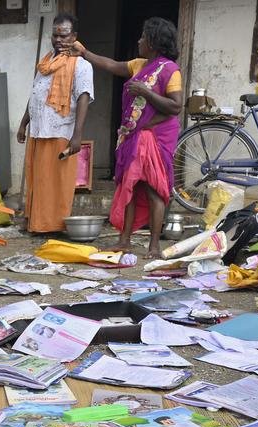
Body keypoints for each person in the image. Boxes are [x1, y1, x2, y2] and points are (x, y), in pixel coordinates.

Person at [69, 17, 184, 257]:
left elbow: (175, 106)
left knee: (153, 188)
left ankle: (154, 246)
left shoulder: (171, 70)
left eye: (143, 36)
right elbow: (111, 65)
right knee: (129, 184)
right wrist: (85, 52)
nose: (139, 40)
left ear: (153, 41)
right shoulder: (139, 65)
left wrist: (144, 91)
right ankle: (124, 240)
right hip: (133, 136)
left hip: (156, 137)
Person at [17, 13, 93, 234]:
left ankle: (54, 225)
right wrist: (24, 123)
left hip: (61, 130)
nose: (58, 40)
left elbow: (83, 98)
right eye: (55, 35)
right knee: (37, 180)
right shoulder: (47, 62)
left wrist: (77, 135)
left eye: (64, 35)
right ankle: (35, 222)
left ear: (74, 36)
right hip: (39, 130)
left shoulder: (81, 65)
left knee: (56, 182)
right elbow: (36, 95)